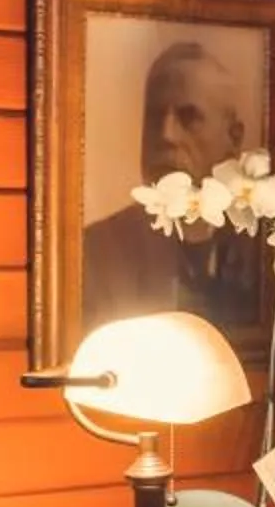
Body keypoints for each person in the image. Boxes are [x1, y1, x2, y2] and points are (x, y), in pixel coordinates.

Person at [80, 37, 261, 338]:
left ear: (234, 138)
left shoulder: (266, 254)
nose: (166, 135)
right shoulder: (97, 253)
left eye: (189, 118)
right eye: (154, 117)